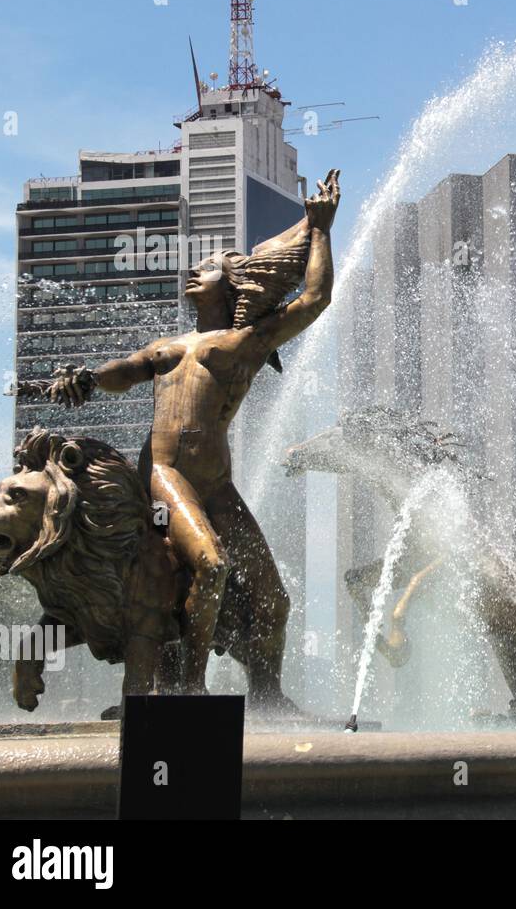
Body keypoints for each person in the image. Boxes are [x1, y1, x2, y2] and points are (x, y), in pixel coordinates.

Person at [47, 169, 341, 708]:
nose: (192, 270)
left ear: (232, 283)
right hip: (165, 475)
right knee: (210, 565)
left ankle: (269, 696)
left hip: (215, 483)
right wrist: (86, 377)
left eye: (206, 268)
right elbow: (121, 372)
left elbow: (314, 299)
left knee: (273, 598)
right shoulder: (167, 347)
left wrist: (319, 229)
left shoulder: (247, 340)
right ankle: (187, 686)